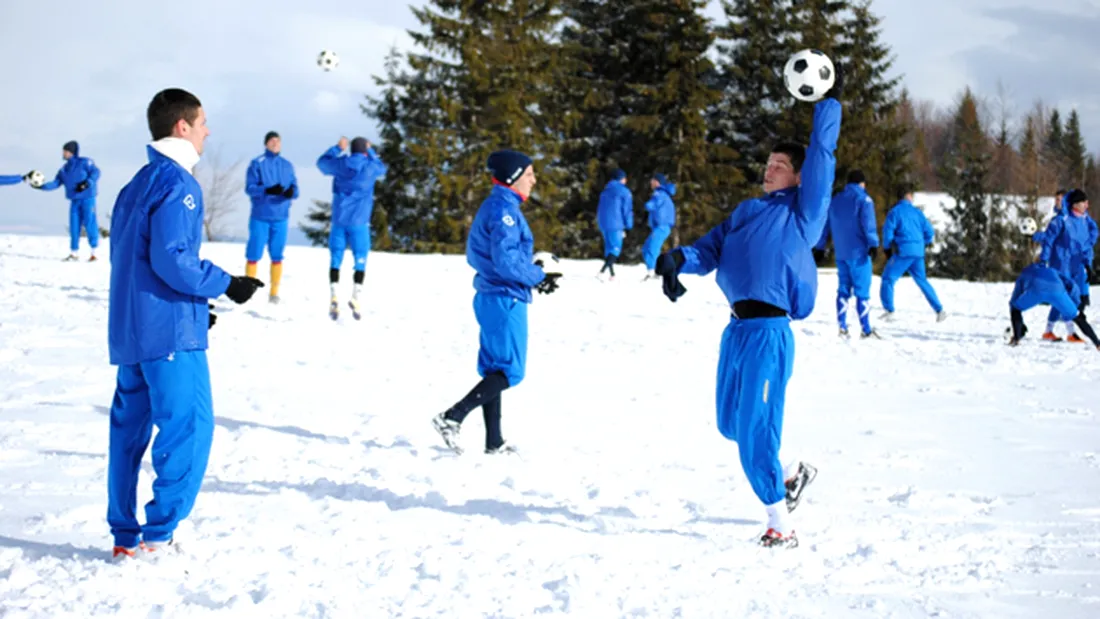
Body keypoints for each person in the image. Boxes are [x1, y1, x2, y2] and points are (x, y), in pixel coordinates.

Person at [652, 86, 843, 548]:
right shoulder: (745, 211)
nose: (769, 168)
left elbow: (822, 153)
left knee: (756, 428)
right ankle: (789, 477)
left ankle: (781, 523)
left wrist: (828, 104)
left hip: (769, 331)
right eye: (769, 162)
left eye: (780, 165)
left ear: (799, 177)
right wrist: (678, 259)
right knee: (730, 424)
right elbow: (710, 248)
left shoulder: (805, 211)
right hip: (736, 330)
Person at [106, 88, 265, 559]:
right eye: (202, 123)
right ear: (181, 127)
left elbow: (131, 260)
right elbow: (173, 260)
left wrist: (195, 308)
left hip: (133, 330)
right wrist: (225, 285)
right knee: (189, 427)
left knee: (128, 434)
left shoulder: (135, 184)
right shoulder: (178, 184)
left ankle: (124, 537)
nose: (206, 131)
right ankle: (159, 535)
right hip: (168, 335)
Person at [432, 150, 562, 455]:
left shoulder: (498, 206)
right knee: (509, 371)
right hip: (505, 297)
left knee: (494, 368)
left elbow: (505, 257)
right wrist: (537, 275)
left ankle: (494, 441)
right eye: (529, 174)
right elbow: (506, 261)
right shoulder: (504, 211)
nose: (534, 179)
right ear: (513, 177)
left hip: (493, 295)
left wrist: (533, 273)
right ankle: (453, 416)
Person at [316, 136, 387, 320]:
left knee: (336, 258)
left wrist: (337, 148)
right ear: (364, 150)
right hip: (359, 221)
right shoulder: (369, 167)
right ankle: (356, 295)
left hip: (339, 220)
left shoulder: (341, 164)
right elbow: (382, 167)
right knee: (360, 258)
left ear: (351, 150)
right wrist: (371, 152)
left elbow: (321, 163)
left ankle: (334, 294)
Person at [813, 169, 880, 338]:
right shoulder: (864, 200)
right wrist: (873, 243)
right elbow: (868, 223)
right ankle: (866, 329)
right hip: (859, 253)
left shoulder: (835, 201)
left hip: (841, 253)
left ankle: (842, 326)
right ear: (861, 183)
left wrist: (820, 247)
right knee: (862, 291)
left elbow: (825, 226)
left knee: (843, 289)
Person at [244, 130, 299, 304]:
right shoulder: (257, 163)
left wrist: (292, 192)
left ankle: (274, 292)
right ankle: (248, 289)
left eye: (278, 141)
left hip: (281, 216)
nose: (275, 144)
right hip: (261, 215)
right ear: (266, 143)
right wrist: (266, 190)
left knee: (277, 254)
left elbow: (295, 188)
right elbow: (249, 188)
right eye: (272, 141)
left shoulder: (287, 165)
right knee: (254, 253)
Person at [1037, 189, 1098, 342]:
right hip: (1060, 264)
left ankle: (1050, 331)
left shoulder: (1083, 220)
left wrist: (1088, 264)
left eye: (1086, 202)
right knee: (1065, 298)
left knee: (1065, 299)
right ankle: (1070, 332)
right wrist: (1043, 261)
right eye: (1083, 202)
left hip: (1075, 266)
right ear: (1075, 205)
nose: (1086, 205)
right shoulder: (1061, 220)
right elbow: (1048, 241)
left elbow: (1084, 246)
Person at [879, 187, 946, 322]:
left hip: (903, 251)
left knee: (888, 278)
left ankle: (889, 310)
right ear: (908, 196)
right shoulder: (917, 212)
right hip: (918, 252)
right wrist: (923, 243)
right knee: (922, 280)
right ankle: (939, 310)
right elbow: (929, 232)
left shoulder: (895, 212)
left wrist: (887, 249)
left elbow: (888, 232)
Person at [1007, 262, 1100, 350]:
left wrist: (1017, 321)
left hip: (1035, 291)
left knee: (1015, 308)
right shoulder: (1052, 270)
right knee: (1078, 317)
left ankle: (1016, 338)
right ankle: (1098, 343)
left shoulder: (1024, 274)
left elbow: (1014, 299)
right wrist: (1076, 305)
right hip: (1057, 291)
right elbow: (1072, 285)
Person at [35, 141, 101, 261]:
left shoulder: (85, 162)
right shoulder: (64, 170)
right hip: (74, 200)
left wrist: (87, 183)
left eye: (65, 151)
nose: (63, 153)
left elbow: (96, 172)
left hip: (87, 198)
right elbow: (55, 183)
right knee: (74, 226)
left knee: (90, 224)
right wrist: (41, 186)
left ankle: (94, 253)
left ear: (72, 152)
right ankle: (74, 253)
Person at [595, 168, 633, 280]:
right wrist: (628, 225)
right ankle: (601, 272)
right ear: (621, 179)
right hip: (616, 223)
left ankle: (612, 274)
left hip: (603, 223)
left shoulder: (605, 191)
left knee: (609, 248)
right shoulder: (624, 192)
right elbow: (627, 210)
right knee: (615, 248)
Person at [641, 173, 676, 280]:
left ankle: (654, 273)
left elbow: (653, 204)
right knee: (646, 248)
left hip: (662, 226)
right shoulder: (662, 193)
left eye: (652, 180)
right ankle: (655, 271)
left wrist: (647, 205)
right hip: (660, 227)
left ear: (657, 182)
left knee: (652, 247)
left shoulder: (659, 194)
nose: (651, 182)